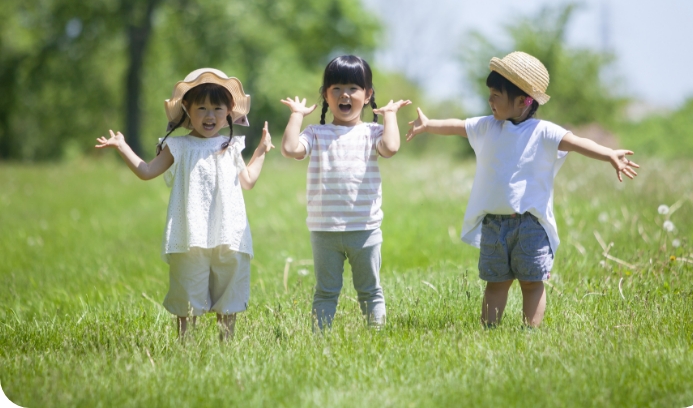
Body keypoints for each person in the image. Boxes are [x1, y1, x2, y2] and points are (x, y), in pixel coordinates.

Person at [406, 51, 639, 328]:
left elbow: (576, 142)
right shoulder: (487, 126)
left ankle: (531, 332)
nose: (490, 100)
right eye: (490, 93)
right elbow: (458, 126)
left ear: (522, 101)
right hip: (494, 224)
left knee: (531, 282)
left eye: (496, 95)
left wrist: (609, 154)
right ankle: (489, 329)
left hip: (530, 224)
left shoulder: (544, 132)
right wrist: (429, 124)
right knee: (496, 282)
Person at [96, 68, 274, 339]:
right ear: (187, 110)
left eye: (217, 107)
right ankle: (186, 346)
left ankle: (227, 344)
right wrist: (122, 146)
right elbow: (146, 171)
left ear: (228, 111)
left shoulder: (232, 145)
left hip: (230, 231)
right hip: (189, 233)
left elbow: (248, 180)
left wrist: (260, 150)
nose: (210, 114)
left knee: (229, 291)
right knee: (187, 293)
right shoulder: (178, 146)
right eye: (201, 107)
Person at [280, 55, 411, 329]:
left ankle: (376, 334)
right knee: (326, 291)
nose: (345, 95)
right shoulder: (316, 133)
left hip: (365, 227)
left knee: (370, 290)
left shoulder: (372, 132)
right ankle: (320, 339)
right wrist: (296, 116)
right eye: (336, 89)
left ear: (367, 95)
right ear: (326, 96)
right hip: (324, 229)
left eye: (353, 88)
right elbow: (291, 149)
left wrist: (389, 116)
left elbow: (391, 148)